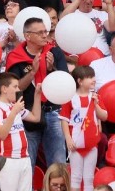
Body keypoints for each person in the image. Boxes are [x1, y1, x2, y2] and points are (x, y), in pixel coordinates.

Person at [6, 16, 69, 171]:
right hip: (28, 115)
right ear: (28, 36)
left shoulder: (54, 52)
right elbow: (16, 88)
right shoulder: (15, 57)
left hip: (53, 111)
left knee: (58, 163)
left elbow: (65, 82)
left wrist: (52, 69)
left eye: (45, 31)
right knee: (28, 165)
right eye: (40, 32)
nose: (44, 35)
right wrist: (33, 72)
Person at [0, 72, 42, 191]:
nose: (18, 90)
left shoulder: (14, 106)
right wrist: (14, 112)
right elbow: (2, 134)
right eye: (15, 87)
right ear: (4, 89)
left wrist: (37, 95)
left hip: (25, 157)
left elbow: (35, 117)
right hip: (7, 159)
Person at [59, 66, 107, 191]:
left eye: (93, 76)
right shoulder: (70, 98)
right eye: (90, 77)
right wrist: (68, 139)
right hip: (75, 143)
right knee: (75, 177)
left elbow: (104, 116)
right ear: (79, 81)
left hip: (92, 144)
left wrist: (96, 105)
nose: (93, 80)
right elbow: (64, 119)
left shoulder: (96, 97)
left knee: (89, 178)